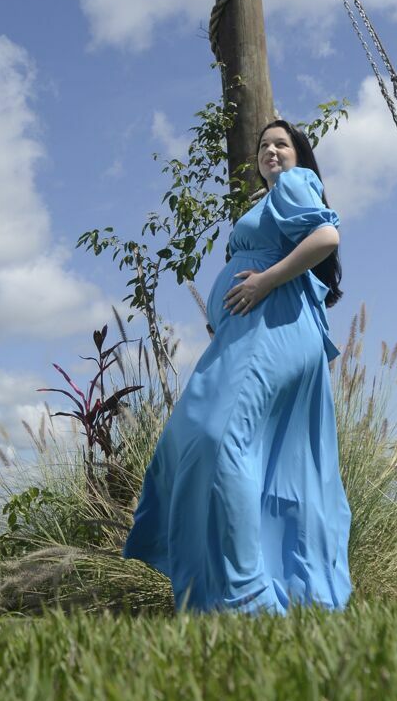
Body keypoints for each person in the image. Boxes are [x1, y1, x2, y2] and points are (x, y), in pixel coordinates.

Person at [121, 119, 353, 614]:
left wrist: (264, 281)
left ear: (299, 155)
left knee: (220, 438)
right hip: (249, 334)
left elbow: (326, 236)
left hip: (274, 329)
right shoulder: (264, 203)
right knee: (205, 439)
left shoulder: (295, 184)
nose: (270, 150)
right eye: (264, 144)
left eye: (282, 144)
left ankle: (246, 597)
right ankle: (272, 586)